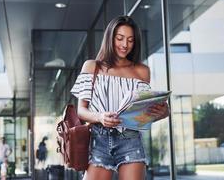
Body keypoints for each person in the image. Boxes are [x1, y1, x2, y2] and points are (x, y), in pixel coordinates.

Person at [71, 16, 169, 180]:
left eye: (130, 40)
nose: (125, 45)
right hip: (99, 140)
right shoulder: (91, 66)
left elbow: (142, 115)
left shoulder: (142, 71)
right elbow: (81, 111)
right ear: (110, 38)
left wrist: (163, 112)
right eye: (120, 38)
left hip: (131, 140)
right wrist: (100, 117)